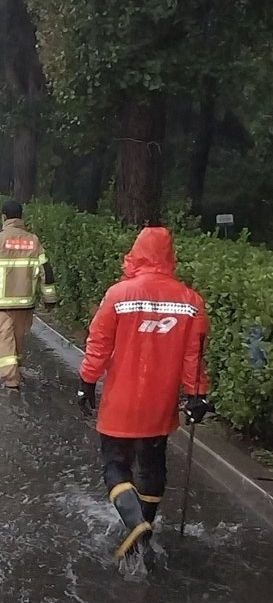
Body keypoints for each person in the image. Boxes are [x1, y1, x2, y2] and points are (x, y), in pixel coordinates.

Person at [76, 225, 210, 558]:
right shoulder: (191, 303)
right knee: (153, 465)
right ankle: (145, 531)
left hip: (121, 401)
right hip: (159, 403)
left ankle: (135, 523)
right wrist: (196, 396)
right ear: (169, 256)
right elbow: (194, 356)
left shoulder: (119, 295)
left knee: (114, 463)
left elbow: (99, 344)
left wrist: (86, 382)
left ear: (136, 252)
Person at [0, 199, 58, 390]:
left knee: (4, 341)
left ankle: (11, 382)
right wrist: (49, 299)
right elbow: (47, 271)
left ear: (3, 216)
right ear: (21, 217)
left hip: (0, 304)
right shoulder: (33, 240)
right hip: (25, 304)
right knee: (17, 341)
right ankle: (17, 370)